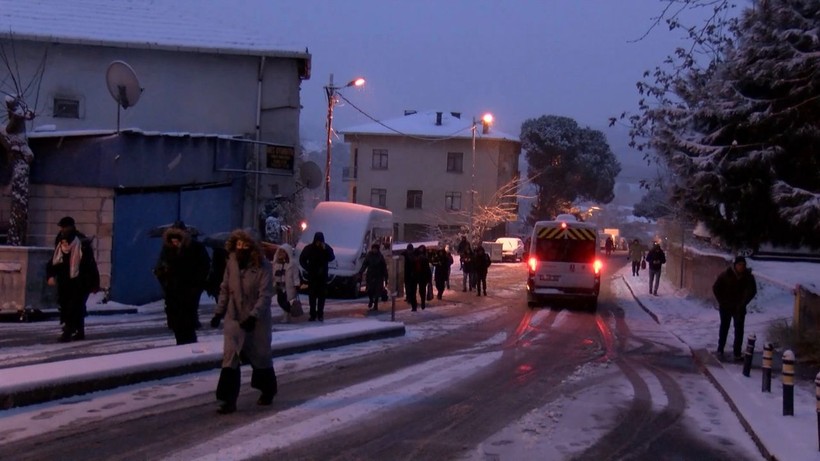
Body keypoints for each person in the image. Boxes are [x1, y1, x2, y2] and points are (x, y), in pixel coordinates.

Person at [209, 230, 277, 414]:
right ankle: (227, 399)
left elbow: (265, 296)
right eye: (238, 245)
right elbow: (225, 288)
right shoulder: (231, 263)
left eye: (245, 246)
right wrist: (218, 313)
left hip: (257, 322)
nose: (241, 249)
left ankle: (267, 390)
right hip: (234, 318)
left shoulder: (263, 267)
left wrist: (254, 316)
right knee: (230, 359)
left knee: (260, 357)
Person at [153, 224, 210, 344]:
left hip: (188, 291)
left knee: (187, 321)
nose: (175, 243)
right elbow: (160, 267)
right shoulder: (168, 250)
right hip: (173, 291)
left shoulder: (195, 248)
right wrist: (163, 276)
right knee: (176, 322)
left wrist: (196, 285)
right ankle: (182, 343)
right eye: (172, 240)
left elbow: (204, 268)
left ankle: (188, 345)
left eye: (177, 240)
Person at [46, 218, 100, 342]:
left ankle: (68, 332)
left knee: (74, 306)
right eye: (61, 228)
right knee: (68, 306)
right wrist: (50, 275)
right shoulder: (60, 242)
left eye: (64, 227)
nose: (62, 230)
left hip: (79, 281)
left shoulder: (81, 242)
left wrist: (94, 282)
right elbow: (55, 260)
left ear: (70, 227)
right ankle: (79, 331)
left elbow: (89, 264)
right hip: (65, 281)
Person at [713, 256, 758, 361]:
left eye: (743, 265)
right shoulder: (726, 275)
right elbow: (716, 288)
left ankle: (737, 352)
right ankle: (720, 349)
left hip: (739, 307)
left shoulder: (748, 277)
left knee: (739, 330)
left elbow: (752, 290)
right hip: (726, 306)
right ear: (735, 265)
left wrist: (744, 302)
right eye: (739, 265)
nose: (741, 267)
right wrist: (722, 301)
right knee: (724, 328)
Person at [299, 231, 336, 321]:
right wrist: (308, 268)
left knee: (321, 297)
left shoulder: (326, 248)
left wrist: (325, 249)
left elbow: (332, 257)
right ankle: (313, 314)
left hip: (322, 276)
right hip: (313, 276)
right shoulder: (309, 248)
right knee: (312, 297)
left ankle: (320, 314)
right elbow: (302, 259)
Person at [272, 244, 301, 322]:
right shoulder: (276, 263)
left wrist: (297, 284)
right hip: (279, 286)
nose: (281, 254)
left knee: (287, 301)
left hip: (288, 286)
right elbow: (273, 274)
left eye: (283, 252)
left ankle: (286, 315)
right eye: (280, 252)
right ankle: (288, 312)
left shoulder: (292, 264)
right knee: (280, 300)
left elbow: (295, 275)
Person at [359, 244, 388, 312]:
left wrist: (386, 277)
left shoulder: (380, 257)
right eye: (373, 249)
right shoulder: (369, 256)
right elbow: (365, 264)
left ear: (378, 249)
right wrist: (361, 272)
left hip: (378, 276)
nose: (374, 250)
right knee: (369, 290)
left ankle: (376, 304)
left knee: (377, 291)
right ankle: (371, 300)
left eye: (375, 249)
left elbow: (384, 267)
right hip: (370, 275)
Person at [414, 245, 432, 310]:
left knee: (420, 290)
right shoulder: (421, 258)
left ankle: (420, 303)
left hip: (420, 276)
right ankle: (421, 302)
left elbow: (427, 269)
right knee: (421, 290)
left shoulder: (420, 258)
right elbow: (428, 269)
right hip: (420, 276)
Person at [403, 244, 419, 311]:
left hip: (413, 276)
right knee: (408, 289)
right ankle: (409, 298)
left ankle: (414, 306)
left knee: (413, 291)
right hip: (407, 276)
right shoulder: (405, 255)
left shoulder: (415, 256)